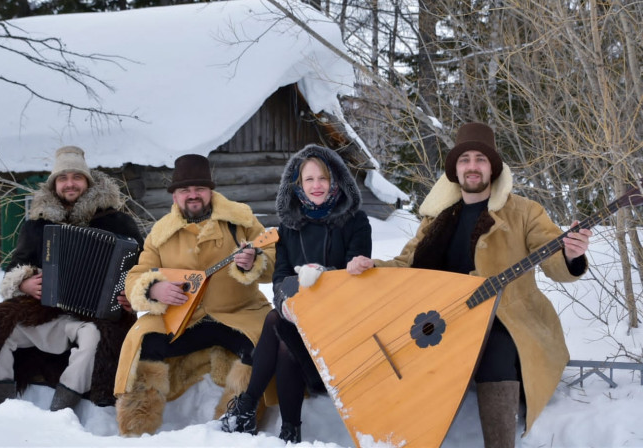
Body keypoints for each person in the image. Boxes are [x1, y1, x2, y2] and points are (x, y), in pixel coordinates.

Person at [346, 123, 592, 448]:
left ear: (493, 168)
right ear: (455, 170)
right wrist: (372, 267)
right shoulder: (436, 218)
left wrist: (571, 255)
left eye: (480, 159)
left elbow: (555, 264)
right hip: (445, 319)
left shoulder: (525, 212)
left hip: (506, 319)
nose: (472, 166)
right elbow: (405, 266)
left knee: (494, 349)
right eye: (465, 160)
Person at [0, 145, 144, 413]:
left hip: (95, 317)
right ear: (54, 185)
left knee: (96, 338)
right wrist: (22, 281)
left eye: (76, 177)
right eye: (63, 178)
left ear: (88, 182)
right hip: (46, 312)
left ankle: (61, 410)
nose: (70, 184)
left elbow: (142, 269)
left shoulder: (119, 223)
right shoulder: (37, 225)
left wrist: (131, 296)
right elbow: (15, 265)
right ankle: (0, 407)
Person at [113, 153, 276, 437]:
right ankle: (137, 427)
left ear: (210, 191)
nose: (193, 196)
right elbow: (136, 275)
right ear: (174, 196)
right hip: (184, 319)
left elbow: (274, 259)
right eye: (184, 190)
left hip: (239, 312)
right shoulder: (160, 233)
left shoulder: (241, 221)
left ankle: (236, 419)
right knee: (143, 341)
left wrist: (255, 261)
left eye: (199, 189)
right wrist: (154, 288)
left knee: (261, 345)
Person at [220, 144, 372, 443]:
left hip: (341, 324)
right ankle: (288, 431)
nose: (317, 186)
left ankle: (249, 407)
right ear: (298, 184)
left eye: (323, 179)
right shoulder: (290, 227)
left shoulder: (355, 221)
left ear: (336, 181)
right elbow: (279, 278)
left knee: (276, 324)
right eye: (309, 179)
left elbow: (358, 281)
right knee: (282, 324)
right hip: (301, 320)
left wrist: (325, 276)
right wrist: (291, 297)